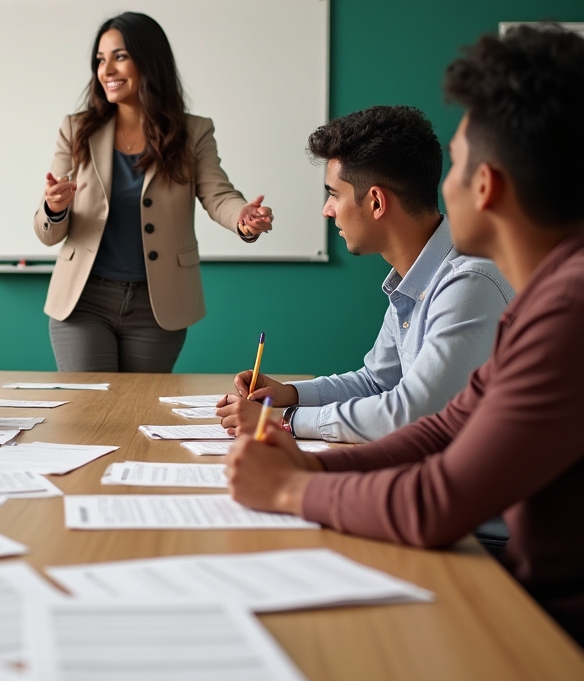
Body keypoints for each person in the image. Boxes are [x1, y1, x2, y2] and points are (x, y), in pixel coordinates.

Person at [227, 25, 584, 646]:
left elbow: (437, 499)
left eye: (458, 165)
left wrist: (291, 486)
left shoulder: (560, 307)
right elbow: (444, 424)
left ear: (486, 186)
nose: (442, 186)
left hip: (543, 626)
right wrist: (306, 461)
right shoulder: (549, 296)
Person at [217, 106, 512, 442]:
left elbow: (411, 413)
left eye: (333, 194)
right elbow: (376, 382)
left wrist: (284, 420)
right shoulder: (414, 277)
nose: (327, 211)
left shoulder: (468, 283)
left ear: (376, 202)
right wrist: (289, 394)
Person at [34, 12, 274, 373]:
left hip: (158, 304)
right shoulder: (77, 128)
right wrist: (54, 208)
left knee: (137, 415)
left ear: (149, 60)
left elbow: (218, 194)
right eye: (100, 60)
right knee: (89, 412)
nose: (107, 70)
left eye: (119, 56)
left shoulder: (193, 132)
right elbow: (46, 229)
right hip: (84, 300)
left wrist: (243, 217)